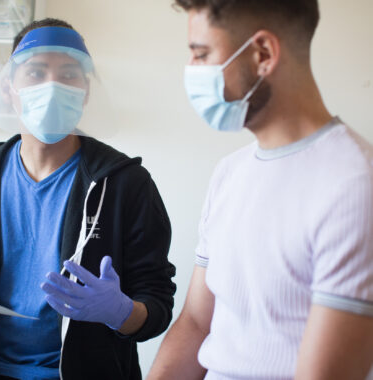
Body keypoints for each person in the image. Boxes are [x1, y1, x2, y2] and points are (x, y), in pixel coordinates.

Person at [0, 18, 176, 380]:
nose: (52, 86)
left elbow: (157, 306)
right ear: (8, 89)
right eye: (36, 73)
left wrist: (120, 311)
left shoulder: (125, 184)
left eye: (69, 75)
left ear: (86, 92)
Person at [148, 1, 373, 379]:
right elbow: (195, 325)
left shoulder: (354, 187)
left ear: (263, 54)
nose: (192, 72)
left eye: (202, 55)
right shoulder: (229, 173)